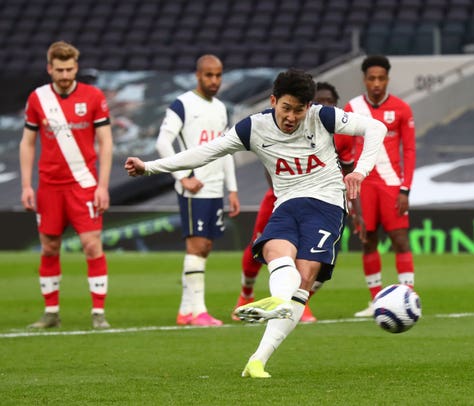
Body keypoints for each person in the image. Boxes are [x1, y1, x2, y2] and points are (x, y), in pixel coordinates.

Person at [125, 69, 386, 378]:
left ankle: (258, 357)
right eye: (286, 107)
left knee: (305, 276)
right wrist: (150, 167)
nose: (291, 116)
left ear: (308, 106)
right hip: (287, 203)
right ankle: (277, 304)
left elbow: (376, 128)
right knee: (276, 252)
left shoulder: (323, 117)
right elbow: (204, 153)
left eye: (298, 110)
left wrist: (360, 171)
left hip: (326, 203)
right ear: (273, 100)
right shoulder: (253, 127)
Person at [232, 81, 356, 324]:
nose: (325, 106)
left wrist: (353, 207)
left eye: (330, 102)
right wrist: (284, 198)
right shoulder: (294, 125)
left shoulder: (341, 135)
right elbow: (273, 165)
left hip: (325, 202)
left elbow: (348, 169)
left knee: (318, 259)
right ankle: (245, 294)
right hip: (282, 198)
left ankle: (301, 301)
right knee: (261, 243)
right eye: (321, 102)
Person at [19, 41, 113, 329]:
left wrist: (103, 185)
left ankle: (98, 314)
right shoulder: (38, 98)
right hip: (49, 186)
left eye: (69, 69)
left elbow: (106, 141)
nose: (64, 74)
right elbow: (27, 142)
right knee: (49, 247)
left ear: (76, 67)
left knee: (91, 245)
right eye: (59, 69)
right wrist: (26, 185)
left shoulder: (93, 96)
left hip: (83, 184)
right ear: (50, 68)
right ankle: (51, 312)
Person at [155, 54, 240, 327]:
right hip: (195, 187)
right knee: (197, 245)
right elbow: (162, 143)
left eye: (218, 75)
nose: (214, 80)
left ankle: (185, 310)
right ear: (198, 75)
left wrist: (233, 189)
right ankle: (198, 311)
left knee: (205, 247)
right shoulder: (182, 104)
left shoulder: (221, 108)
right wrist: (182, 177)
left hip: (215, 187)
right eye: (209, 75)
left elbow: (227, 150)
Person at [340, 55, 417, 317]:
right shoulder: (352, 108)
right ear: (364, 79)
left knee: (400, 240)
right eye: (371, 78)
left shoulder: (402, 109)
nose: (376, 83)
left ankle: (408, 297)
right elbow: (345, 151)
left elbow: (409, 150)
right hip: (364, 185)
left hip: (392, 185)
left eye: (381, 78)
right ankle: (376, 301)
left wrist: (406, 189)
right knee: (368, 240)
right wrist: (350, 193)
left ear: (387, 79)